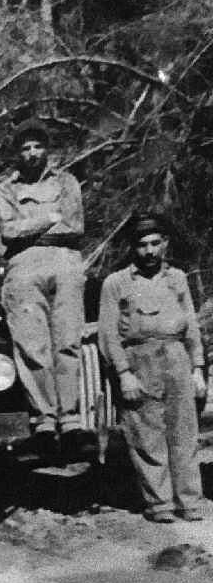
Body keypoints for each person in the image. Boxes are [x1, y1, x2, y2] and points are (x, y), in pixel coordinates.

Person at [98, 213, 206, 523]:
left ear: (165, 244)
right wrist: (123, 373)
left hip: (176, 357)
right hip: (138, 359)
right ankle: (160, 505)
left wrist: (197, 367)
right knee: (147, 436)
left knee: (184, 434)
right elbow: (108, 334)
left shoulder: (178, 278)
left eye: (155, 243)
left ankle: (189, 502)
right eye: (142, 245)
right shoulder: (115, 283)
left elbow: (192, 327)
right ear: (133, 248)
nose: (149, 251)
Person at [0, 118, 88, 461]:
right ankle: (45, 421)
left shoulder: (67, 181)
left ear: (47, 150)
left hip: (65, 264)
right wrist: (49, 217)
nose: (32, 154)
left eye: (38, 146)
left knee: (67, 342)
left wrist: (30, 227)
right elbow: (8, 232)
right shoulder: (6, 190)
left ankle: (72, 420)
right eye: (25, 148)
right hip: (23, 270)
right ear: (17, 154)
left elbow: (74, 226)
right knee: (33, 347)